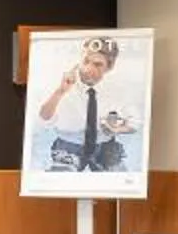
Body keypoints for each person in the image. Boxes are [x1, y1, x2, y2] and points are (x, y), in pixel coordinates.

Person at [34, 35, 137, 174]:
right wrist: (60, 91)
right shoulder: (61, 80)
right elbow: (43, 119)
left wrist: (117, 129)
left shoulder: (118, 89)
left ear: (110, 66)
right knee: (58, 181)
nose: (88, 69)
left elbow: (135, 123)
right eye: (86, 61)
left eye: (98, 64)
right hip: (68, 145)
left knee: (122, 181)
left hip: (106, 146)